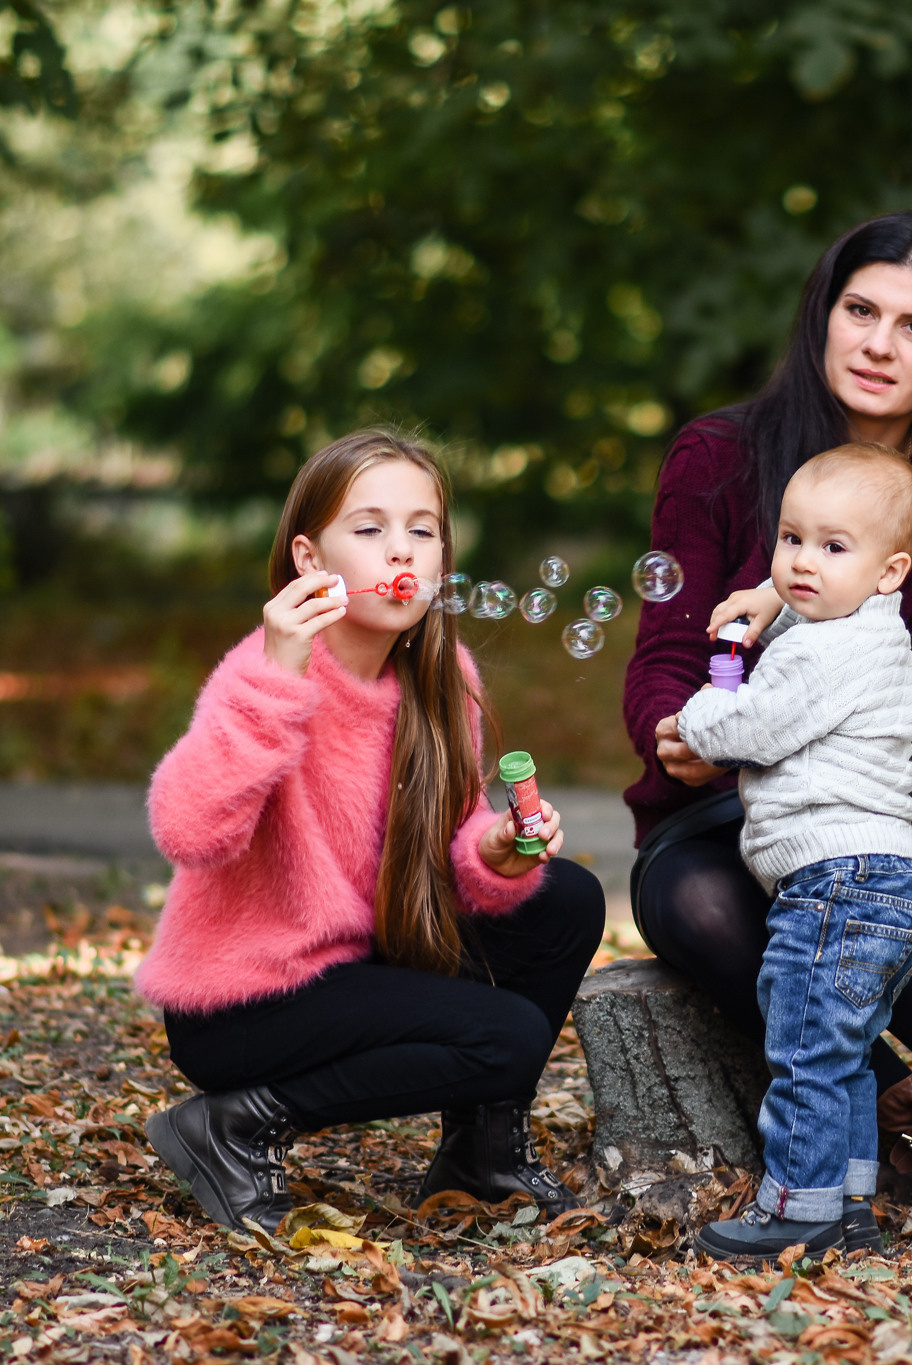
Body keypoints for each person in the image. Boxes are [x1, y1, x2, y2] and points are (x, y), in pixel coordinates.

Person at [622, 212, 912, 1245]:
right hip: (707, 806)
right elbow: (667, 651)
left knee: (842, 877)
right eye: (860, 311)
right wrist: (675, 731)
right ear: (824, 318)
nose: (879, 344)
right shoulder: (718, 456)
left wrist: (829, 714)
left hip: (863, 796)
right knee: (705, 907)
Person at [137, 430, 605, 1235]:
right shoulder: (268, 672)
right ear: (310, 558)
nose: (403, 550)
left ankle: (481, 1153)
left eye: (423, 530)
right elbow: (188, 829)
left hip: (362, 956)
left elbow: (448, 847)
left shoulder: (441, 675)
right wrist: (276, 678)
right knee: (509, 1039)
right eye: (371, 528)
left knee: (568, 897)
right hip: (247, 1000)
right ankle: (232, 1123)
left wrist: (494, 850)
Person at [673, 444, 912, 1259]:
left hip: (834, 885)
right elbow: (805, 616)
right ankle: (850, 1207)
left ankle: (799, 1209)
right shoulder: (865, 629)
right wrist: (769, 604)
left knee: (802, 1053)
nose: (800, 563)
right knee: (845, 1055)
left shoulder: (827, 653)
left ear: (890, 571)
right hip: (885, 881)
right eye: (790, 539)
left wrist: (699, 712)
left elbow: (748, 726)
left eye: (832, 547)